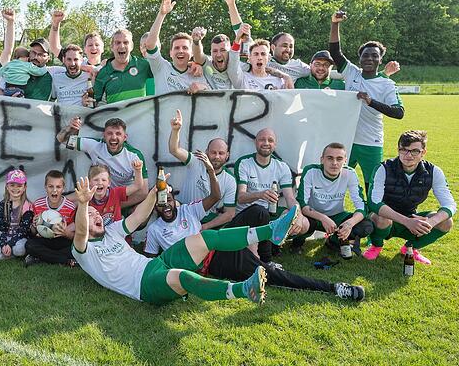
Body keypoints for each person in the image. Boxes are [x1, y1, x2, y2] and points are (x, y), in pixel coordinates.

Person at [72, 176, 302, 305]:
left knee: (205, 238)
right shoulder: (82, 250)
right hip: (144, 284)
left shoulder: (112, 231)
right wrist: (83, 205)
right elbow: (81, 231)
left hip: (155, 263)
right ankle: (243, 290)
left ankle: (271, 231)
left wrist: (154, 192)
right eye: (89, 216)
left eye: (96, 213)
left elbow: (138, 216)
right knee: (183, 277)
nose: (95, 216)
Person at [143, 183, 365, 301]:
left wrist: (210, 169)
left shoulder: (187, 211)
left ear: (175, 200)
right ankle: (335, 288)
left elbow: (215, 195)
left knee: (258, 211)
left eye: (169, 200)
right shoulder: (154, 230)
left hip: (219, 240)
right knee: (277, 277)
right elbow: (153, 263)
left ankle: (268, 254)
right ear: (154, 207)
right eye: (161, 204)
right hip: (213, 261)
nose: (166, 206)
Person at [329, 11, 404, 194]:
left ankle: (373, 218)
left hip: (371, 141)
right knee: (334, 179)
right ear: (360, 58)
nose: (369, 58)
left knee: (373, 185)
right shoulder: (352, 73)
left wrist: (371, 102)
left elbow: (399, 112)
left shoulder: (387, 84)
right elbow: (335, 52)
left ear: (380, 59)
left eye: (374, 56)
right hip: (347, 140)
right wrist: (335, 24)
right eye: (366, 55)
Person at [363, 130, 455, 265]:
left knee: (447, 222)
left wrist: (431, 222)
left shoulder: (434, 171)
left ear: (423, 152)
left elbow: (450, 204)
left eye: (415, 151)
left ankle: (410, 248)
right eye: (404, 150)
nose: (408, 155)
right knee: (381, 217)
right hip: (385, 220)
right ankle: (376, 245)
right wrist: (407, 221)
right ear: (398, 149)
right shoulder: (383, 168)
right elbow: (374, 202)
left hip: (411, 218)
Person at [232, 128, 310, 263]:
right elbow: (241, 197)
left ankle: (272, 242)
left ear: (275, 144)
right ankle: (266, 244)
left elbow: (290, 198)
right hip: (249, 215)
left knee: (304, 224)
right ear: (256, 142)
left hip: (271, 213)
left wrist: (299, 215)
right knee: (254, 260)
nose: (266, 143)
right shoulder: (244, 162)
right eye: (262, 139)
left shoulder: (281, 166)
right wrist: (260, 195)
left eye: (270, 140)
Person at [292, 143, 372, 255]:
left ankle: (333, 242)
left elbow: (361, 205)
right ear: (322, 160)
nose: (334, 163)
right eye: (330, 158)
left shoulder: (349, 173)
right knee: (303, 220)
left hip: (337, 216)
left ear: (345, 161)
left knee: (366, 225)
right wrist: (323, 218)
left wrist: (349, 224)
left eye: (339, 159)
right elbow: (302, 203)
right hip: (313, 216)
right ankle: (297, 243)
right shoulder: (311, 171)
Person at [168, 110, 237, 229]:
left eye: (221, 153)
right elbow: (174, 150)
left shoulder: (230, 180)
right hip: (182, 213)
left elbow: (229, 214)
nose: (216, 156)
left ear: (227, 155)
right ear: (206, 152)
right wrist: (176, 130)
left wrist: (204, 227)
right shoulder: (196, 161)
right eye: (213, 152)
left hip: (205, 220)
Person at [224, 0, 310, 81]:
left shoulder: (299, 66)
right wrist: (231, 4)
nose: (288, 49)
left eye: (291, 46)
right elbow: (241, 31)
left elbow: (321, 69)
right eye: (284, 45)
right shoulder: (262, 57)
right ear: (273, 47)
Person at [145, 0, 210, 95]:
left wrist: (202, 87)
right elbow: (150, 44)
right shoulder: (161, 67)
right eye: (176, 48)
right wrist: (162, 14)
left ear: (192, 53)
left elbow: (212, 94)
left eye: (185, 48)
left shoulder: (198, 73)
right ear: (170, 53)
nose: (180, 51)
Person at [57, 117, 148, 190]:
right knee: (69, 201)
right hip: (99, 196)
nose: (113, 137)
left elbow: (143, 192)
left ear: (125, 137)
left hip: (124, 199)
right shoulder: (95, 145)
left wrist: (111, 206)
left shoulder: (134, 156)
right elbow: (61, 139)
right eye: (109, 133)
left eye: (118, 134)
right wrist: (70, 127)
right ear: (104, 136)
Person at [24, 170, 78, 267]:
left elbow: (74, 236)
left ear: (63, 188)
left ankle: (40, 257)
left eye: (58, 187)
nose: (54, 190)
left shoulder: (71, 207)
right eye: (50, 186)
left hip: (62, 240)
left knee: (75, 247)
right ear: (45, 187)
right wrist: (34, 226)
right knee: (29, 245)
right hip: (45, 240)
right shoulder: (38, 204)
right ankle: (64, 260)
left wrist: (65, 232)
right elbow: (33, 233)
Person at [93, 29, 154, 104]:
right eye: (118, 43)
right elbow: (94, 101)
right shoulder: (103, 72)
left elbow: (165, 73)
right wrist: (87, 100)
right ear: (112, 47)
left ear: (131, 46)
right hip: (115, 116)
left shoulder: (143, 65)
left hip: (141, 116)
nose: (122, 46)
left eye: (126, 42)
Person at [0, 170, 35, 261]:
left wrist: (10, 244)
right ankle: (10, 254)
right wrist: (3, 244)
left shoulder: (28, 207)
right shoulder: (1, 205)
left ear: (25, 187)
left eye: (19, 186)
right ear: (7, 186)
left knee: (19, 250)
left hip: (20, 237)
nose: (15, 188)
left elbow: (24, 230)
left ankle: (11, 253)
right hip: (5, 236)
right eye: (12, 185)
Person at [231, 26, 293, 91]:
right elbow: (233, 63)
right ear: (249, 58)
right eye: (256, 54)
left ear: (268, 58)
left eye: (263, 54)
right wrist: (237, 39)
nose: (259, 58)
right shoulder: (242, 78)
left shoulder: (279, 82)